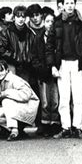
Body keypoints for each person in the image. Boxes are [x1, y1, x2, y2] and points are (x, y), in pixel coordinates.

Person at [46, 0, 82, 139]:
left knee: (78, 98)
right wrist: (52, 66)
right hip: (62, 64)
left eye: (72, 3)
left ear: (75, 4)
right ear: (63, 5)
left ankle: (78, 127)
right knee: (64, 98)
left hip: (79, 65)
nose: (69, 6)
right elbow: (49, 46)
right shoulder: (56, 23)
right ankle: (65, 127)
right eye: (67, 3)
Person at [0, 60, 40, 141]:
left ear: (7, 70)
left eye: (1, 70)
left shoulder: (14, 79)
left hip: (28, 107)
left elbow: (26, 95)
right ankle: (13, 129)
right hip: (13, 108)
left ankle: (14, 131)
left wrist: (7, 93)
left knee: (6, 101)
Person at [31, 8, 61, 137]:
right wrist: (40, 68)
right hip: (42, 73)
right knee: (45, 101)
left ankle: (55, 123)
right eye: (47, 21)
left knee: (55, 100)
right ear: (43, 22)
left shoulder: (58, 37)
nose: (50, 23)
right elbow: (34, 56)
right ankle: (45, 124)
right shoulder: (38, 38)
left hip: (55, 73)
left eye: (52, 21)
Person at [0, 5, 38, 84]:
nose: (21, 19)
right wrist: (14, 57)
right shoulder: (6, 32)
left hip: (26, 68)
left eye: (23, 17)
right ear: (14, 17)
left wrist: (28, 59)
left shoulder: (30, 34)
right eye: (18, 16)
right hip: (10, 66)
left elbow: (34, 51)